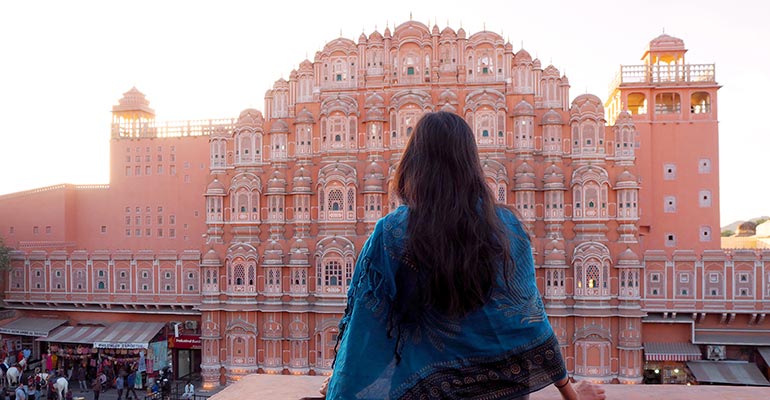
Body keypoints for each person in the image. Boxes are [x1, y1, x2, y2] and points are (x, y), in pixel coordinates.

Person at [325, 112, 606, 400]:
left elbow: (368, 325)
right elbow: (528, 320)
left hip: (422, 391)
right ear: (470, 163)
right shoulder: (505, 228)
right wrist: (571, 394)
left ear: (413, 163)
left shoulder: (392, 233)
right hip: (497, 392)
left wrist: (343, 381)